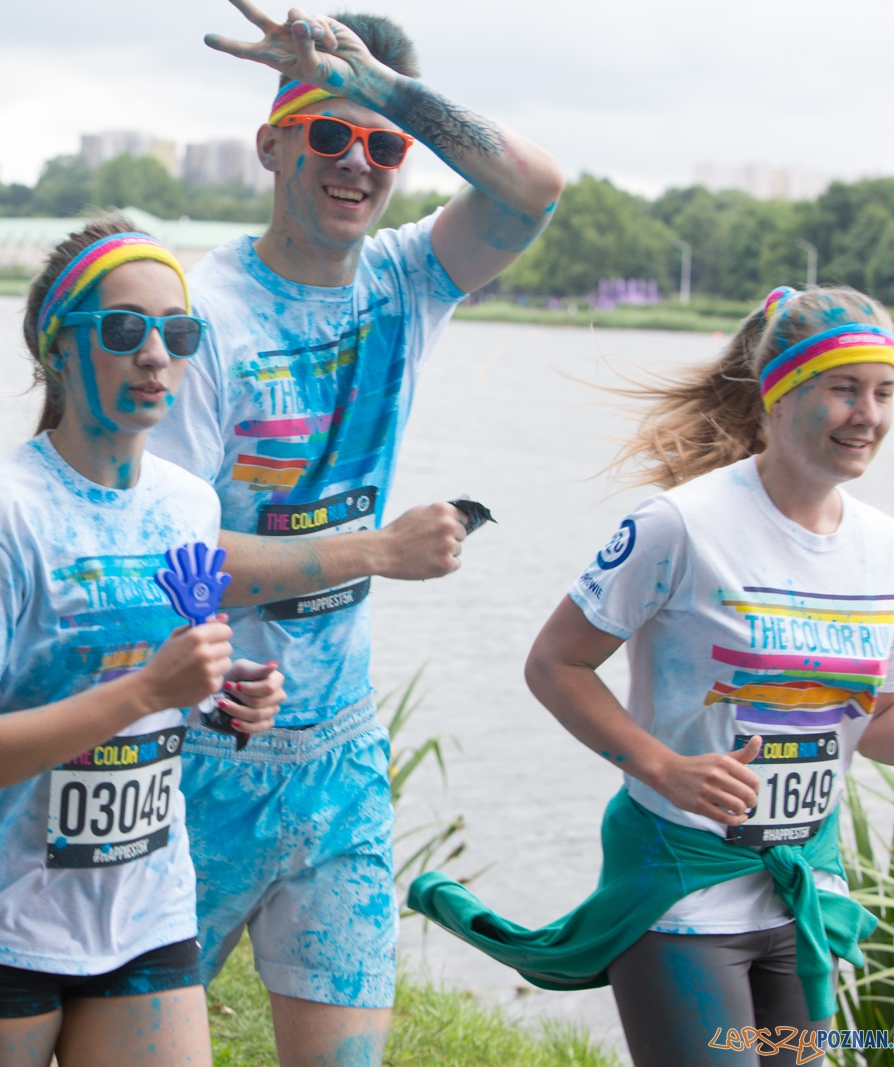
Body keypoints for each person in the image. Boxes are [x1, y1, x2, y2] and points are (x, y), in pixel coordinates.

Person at [145, 3, 564, 1061]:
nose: (356, 163)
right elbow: (174, 560)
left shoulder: (407, 280)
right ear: (271, 144)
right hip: (191, 751)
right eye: (328, 134)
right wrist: (375, 550)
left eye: (381, 148)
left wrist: (383, 89)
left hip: (337, 758)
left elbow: (534, 187)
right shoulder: (202, 314)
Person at [411, 286, 894, 1067]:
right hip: (680, 887)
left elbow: (876, 718)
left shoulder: (889, 549)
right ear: (778, 394)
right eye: (844, 389)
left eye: (884, 393)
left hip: (801, 883)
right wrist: (661, 765)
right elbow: (555, 663)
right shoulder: (682, 524)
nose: (868, 415)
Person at [0, 218, 287, 1067]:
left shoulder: (190, 504)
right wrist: (147, 689)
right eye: (122, 329)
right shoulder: (0, 513)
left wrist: (227, 697)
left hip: (145, 911)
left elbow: (169, 682)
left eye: (176, 333)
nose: (155, 355)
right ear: (58, 351)